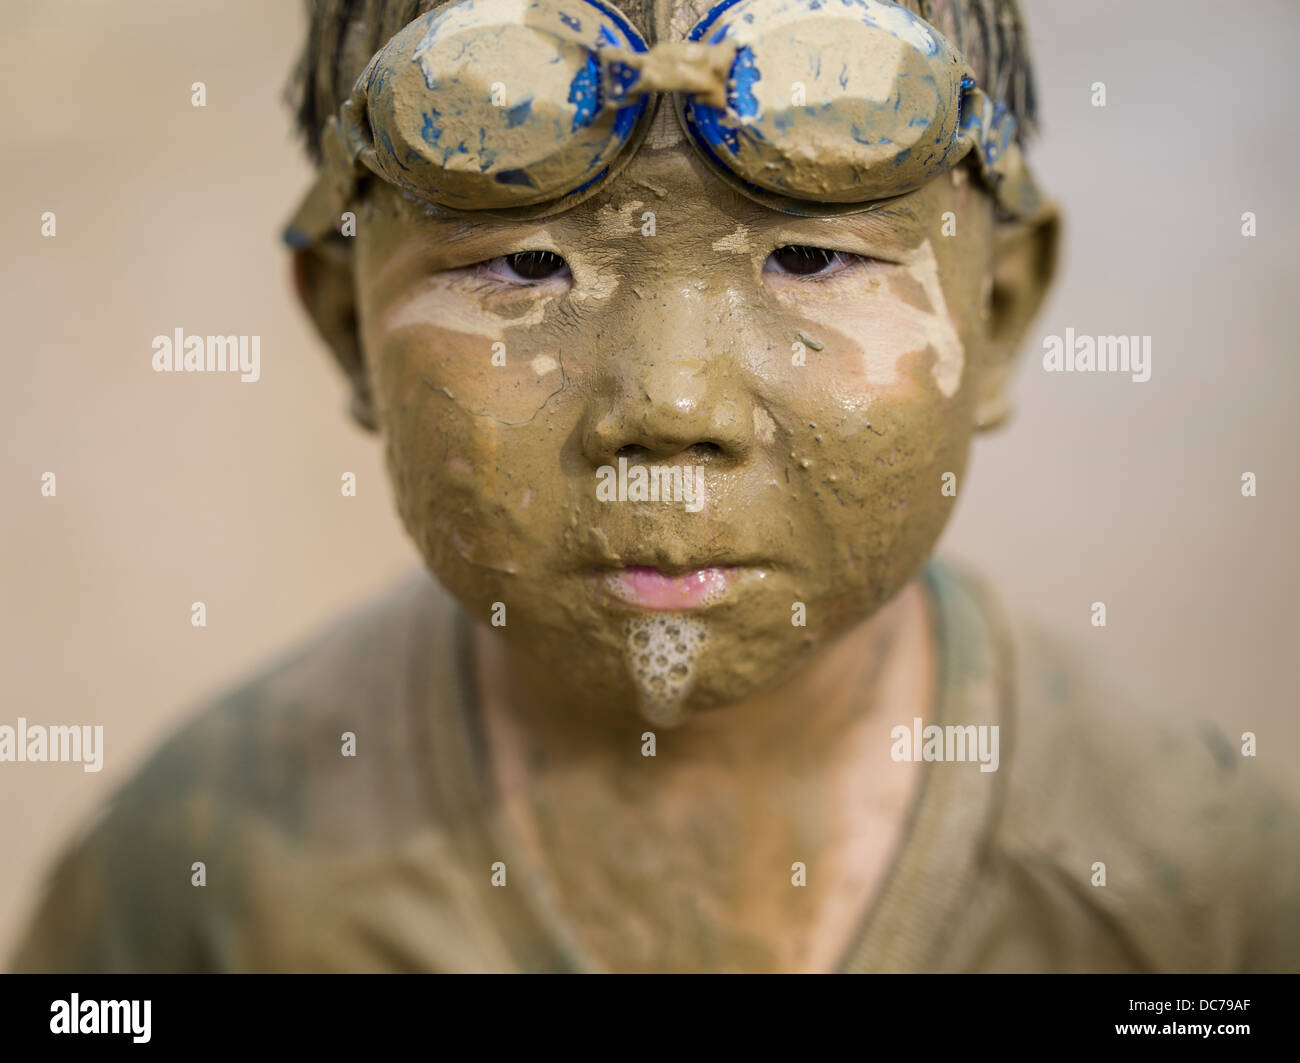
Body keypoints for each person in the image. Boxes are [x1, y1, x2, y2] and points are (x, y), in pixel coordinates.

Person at [12, 0, 1299, 973]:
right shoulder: (200, 881)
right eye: (520, 266)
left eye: (806, 254)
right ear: (346, 330)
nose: (668, 409)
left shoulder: (1189, 894)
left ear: (1002, 312)